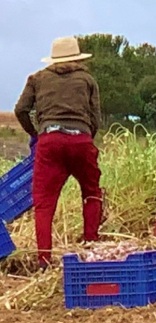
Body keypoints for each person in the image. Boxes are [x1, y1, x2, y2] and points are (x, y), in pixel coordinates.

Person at [14, 36, 104, 269]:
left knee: (44, 202)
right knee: (91, 192)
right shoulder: (87, 80)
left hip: (49, 141)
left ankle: (44, 259)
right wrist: (85, 137)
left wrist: (36, 133)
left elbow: (21, 109)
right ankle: (90, 247)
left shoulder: (37, 79)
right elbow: (96, 118)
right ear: (77, 58)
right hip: (81, 141)